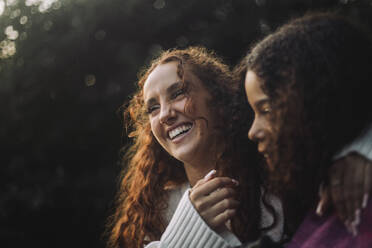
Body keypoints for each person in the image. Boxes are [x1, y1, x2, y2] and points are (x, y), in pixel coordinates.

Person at [106, 47, 283, 248]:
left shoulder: (279, 181)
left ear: (217, 99)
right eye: (153, 108)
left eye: (178, 93)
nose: (164, 114)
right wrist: (188, 229)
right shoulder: (154, 213)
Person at [242, 12, 372, 247]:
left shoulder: (357, 207)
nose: (252, 132)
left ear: (315, 103)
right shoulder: (316, 193)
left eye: (267, 110)